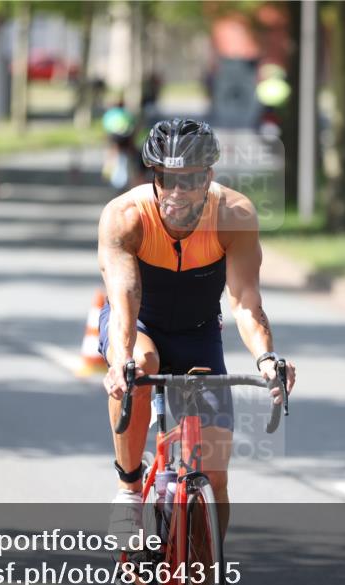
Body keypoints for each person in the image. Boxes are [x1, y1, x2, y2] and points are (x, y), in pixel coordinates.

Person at [97, 118, 297, 544]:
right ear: (153, 174)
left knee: (214, 475)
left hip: (198, 332)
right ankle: (129, 489)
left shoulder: (233, 215)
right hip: (139, 325)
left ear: (208, 176)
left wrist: (265, 358)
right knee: (140, 368)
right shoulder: (126, 216)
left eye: (188, 180)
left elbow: (245, 301)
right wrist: (122, 359)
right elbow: (125, 296)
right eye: (165, 178)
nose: (175, 191)